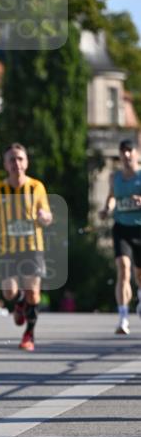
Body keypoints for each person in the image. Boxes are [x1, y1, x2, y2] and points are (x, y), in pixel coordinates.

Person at [0, 143, 53, 351]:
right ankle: (19, 303)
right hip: (8, 248)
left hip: (32, 247)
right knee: (9, 292)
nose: (16, 163)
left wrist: (44, 217)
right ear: (5, 164)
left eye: (20, 159)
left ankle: (29, 335)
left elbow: (46, 214)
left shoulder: (36, 187)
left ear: (27, 162)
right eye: (12, 159)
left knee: (34, 293)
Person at [99, 138, 141, 335]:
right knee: (123, 269)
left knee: (139, 275)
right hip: (121, 228)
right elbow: (112, 196)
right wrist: (106, 209)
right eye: (123, 151)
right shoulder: (114, 177)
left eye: (129, 151)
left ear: (136, 154)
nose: (126, 155)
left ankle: (139, 296)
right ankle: (123, 318)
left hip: (139, 229)